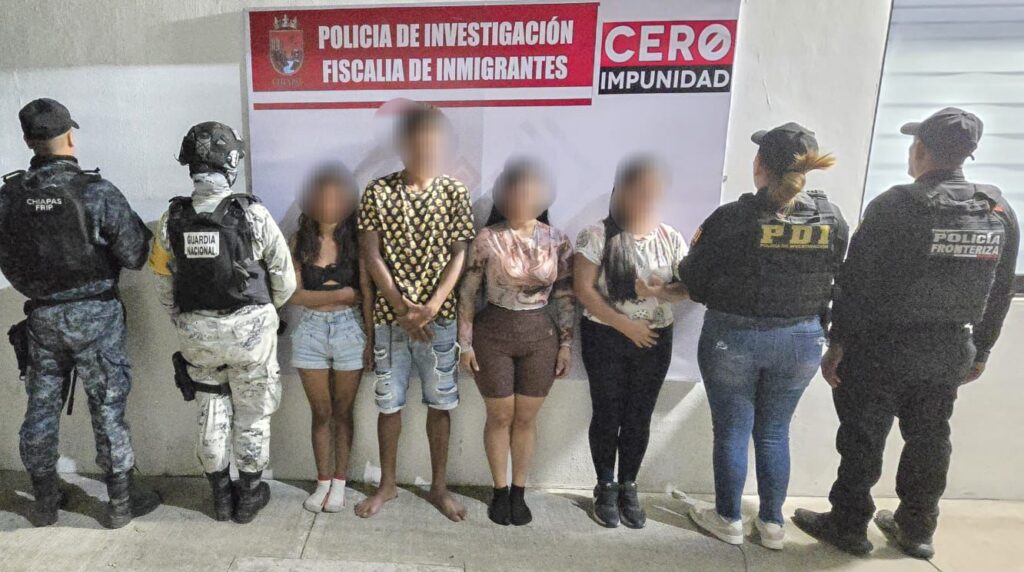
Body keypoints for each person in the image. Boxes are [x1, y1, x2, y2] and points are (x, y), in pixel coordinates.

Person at [793, 108, 1019, 560]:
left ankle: (849, 524)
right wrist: (982, 350)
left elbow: (856, 283)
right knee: (930, 438)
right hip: (949, 347)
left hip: (882, 347)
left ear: (920, 150)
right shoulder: (997, 210)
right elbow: (1001, 289)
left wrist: (837, 343)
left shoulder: (895, 205)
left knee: (863, 438)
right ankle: (917, 529)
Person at [679, 123, 848, 549]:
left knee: (733, 430)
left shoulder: (733, 218)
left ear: (759, 166)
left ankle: (728, 519)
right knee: (775, 431)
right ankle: (772, 524)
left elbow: (693, 279)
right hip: (802, 340)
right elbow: (839, 278)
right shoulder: (830, 217)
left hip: (733, 337)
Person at [0, 98, 161, 528]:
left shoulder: (9, 196)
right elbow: (135, 254)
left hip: (42, 318)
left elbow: (7, 259)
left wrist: (39, 290)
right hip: (96, 316)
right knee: (107, 407)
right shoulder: (95, 192)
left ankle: (44, 501)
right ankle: (120, 502)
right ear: (70, 137)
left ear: (27, 141)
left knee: (40, 408)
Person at [148, 121, 296, 524]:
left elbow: (162, 280)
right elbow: (285, 280)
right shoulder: (252, 214)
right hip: (250, 332)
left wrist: (186, 320)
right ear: (231, 162)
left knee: (210, 411)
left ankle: (220, 497)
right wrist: (263, 315)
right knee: (252, 416)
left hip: (197, 333)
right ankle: (248, 496)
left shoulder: (171, 218)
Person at [356, 104, 475, 521]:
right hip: (390, 321)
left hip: (439, 321)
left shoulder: (455, 192)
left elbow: (460, 253)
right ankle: (387, 484)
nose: (424, 150)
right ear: (403, 144)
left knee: (440, 404)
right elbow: (371, 254)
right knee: (389, 405)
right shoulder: (378, 191)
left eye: (433, 143)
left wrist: (433, 306)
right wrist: (401, 308)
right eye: (416, 142)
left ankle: (439, 486)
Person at [457, 159, 575, 526]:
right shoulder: (487, 238)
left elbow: (565, 296)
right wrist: (465, 343)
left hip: (541, 336)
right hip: (492, 334)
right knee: (500, 416)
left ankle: (519, 492)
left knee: (525, 419)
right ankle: (499, 490)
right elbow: (468, 292)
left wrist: (566, 344)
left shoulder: (558, 240)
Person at [574, 155, 689, 529]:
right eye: (638, 190)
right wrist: (626, 326)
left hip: (655, 339)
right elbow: (584, 290)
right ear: (620, 190)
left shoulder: (669, 237)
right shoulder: (596, 235)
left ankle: (629, 486)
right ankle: (605, 486)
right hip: (605, 337)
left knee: (639, 415)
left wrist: (660, 291)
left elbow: (685, 289)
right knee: (607, 412)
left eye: (651, 191)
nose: (645, 198)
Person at [287, 165, 374, 513]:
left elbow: (365, 293)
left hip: (351, 330)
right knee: (320, 412)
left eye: (337, 196)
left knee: (343, 411)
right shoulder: (299, 241)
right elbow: (294, 296)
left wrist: (371, 340)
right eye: (322, 196)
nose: (329, 203)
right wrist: (342, 294)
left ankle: (340, 483)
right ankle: (322, 481)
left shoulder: (358, 241)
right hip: (310, 331)